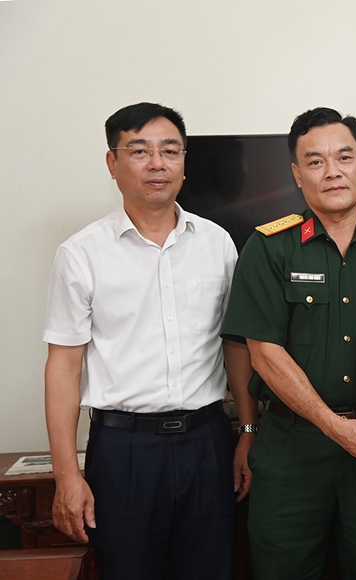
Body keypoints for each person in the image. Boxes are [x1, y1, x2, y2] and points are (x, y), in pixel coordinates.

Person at [43, 102, 259, 580]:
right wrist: (66, 475)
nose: (157, 164)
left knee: (213, 570)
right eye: (139, 151)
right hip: (124, 451)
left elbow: (236, 346)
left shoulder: (218, 243)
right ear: (112, 163)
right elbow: (63, 366)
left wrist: (247, 430)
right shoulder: (81, 254)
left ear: (184, 162)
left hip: (207, 442)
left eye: (170, 151)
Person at [220, 107, 356, 580]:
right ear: (297, 174)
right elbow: (264, 354)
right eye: (315, 161)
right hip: (292, 450)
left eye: (344, 157)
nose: (332, 171)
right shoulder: (269, 248)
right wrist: (333, 426)